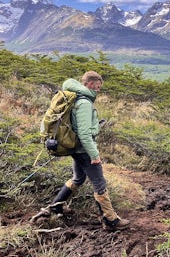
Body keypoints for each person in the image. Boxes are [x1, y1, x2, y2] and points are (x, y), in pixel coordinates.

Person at [49, 71, 130, 230]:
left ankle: (56, 206)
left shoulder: (74, 97)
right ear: (90, 84)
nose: (98, 90)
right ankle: (110, 220)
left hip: (75, 148)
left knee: (78, 178)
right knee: (99, 183)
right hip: (84, 150)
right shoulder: (84, 103)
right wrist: (94, 155)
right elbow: (84, 133)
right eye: (98, 87)